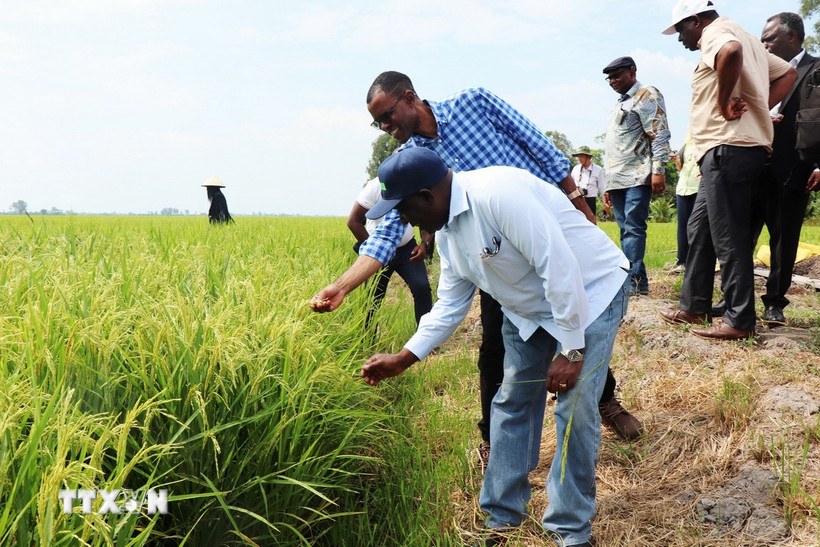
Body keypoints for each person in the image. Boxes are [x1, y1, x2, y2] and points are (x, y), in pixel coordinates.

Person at [310, 72, 642, 464]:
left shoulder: (474, 102)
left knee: (577, 330)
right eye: (377, 123)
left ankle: (601, 398)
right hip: (486, 255)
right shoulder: (412, 164)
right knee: (497, 351)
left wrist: (580, 206)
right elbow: (388, 236)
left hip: (538, 233)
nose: (385, 127)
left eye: (387, 115)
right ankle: (496, 441)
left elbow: (540, 148)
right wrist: (343, 286)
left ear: (410, 97)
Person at [359, 147, 629, 547]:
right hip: (530, 310)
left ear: (427, 195)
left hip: (590, 293)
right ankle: (502, 518)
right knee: (513, 399)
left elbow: (560, 268)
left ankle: (570, 530)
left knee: (574, 408)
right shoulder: (448, 231)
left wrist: (571, 350)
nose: (402, 219)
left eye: (404, 208)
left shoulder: (498, 195)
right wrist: (404, 357)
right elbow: (450, 304)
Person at [659, 0, 797, 340]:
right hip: (725, 149)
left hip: (728, 147)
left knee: (728, 236)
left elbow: (730, 51)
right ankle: (695, 305)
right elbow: (788, 73)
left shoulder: (719, 33)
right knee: (700, 229)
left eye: (680, 30)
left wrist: (723, 103)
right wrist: (760, 109)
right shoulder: (748, 36)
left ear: (696, 21)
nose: (680, 39)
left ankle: (739, 320)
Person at [751, 12, 820, 326]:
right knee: (740, 235)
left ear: (792, 37)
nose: (763, 44)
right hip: (751, 163)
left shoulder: (816, 69)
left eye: (769, 38)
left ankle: (774, 303)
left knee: (784, 238)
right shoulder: (756, 71)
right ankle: (732, 299)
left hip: (794, 166)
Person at [602, 56, 671, 296]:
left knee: (633, 227)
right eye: (609, 78)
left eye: (617, 75)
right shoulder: (619, 104)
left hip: (638, 175)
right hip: (617, 177)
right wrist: (607, 185)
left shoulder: (646, 95)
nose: (612, 81)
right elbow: (614, 147)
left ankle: (635, 282)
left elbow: (660, 133)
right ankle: (634, 281)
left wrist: (658, 170)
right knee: (624, 228)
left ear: (632, 71)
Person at [348, 177, 433, 329]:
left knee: (422, 288)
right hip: (377, 248)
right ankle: (366, 342)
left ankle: (427, 338)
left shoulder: (414, 183)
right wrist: (374, 250)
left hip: (407, 248)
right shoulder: (374, 187)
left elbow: (425, 215)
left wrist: (424, 244)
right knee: (372, 297)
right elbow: (353, 222)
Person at [672, 134, 701, 272]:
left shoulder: (706, 140)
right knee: (682, 227)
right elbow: (681, 167)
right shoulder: (686, 144)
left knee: (697, 226)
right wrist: (676, 160)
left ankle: (696, 262)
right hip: (683, 188)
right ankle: (681, 261)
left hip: (699, 187)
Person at [570, 146, 606, 216]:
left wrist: (605, 204)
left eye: (582, 156)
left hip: (590, 201)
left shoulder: (598, 170)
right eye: (578, 157)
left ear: (588, 157)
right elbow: (571, 185)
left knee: (591, 223)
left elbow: (602, 188)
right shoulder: (576, 169)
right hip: (577, 199)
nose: (580, 159)